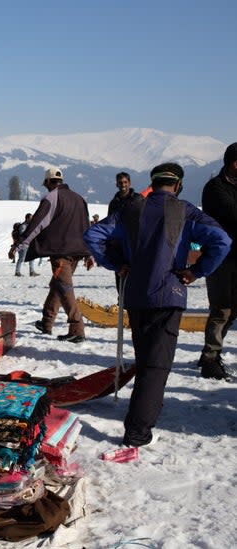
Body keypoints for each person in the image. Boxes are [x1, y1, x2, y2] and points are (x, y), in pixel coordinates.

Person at [84, 162, 231, 447]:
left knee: (146, 361)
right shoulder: (186, 211)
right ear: (177, 185)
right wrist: (196, 271)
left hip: (136, 295)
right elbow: (222, 241)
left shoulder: (130, 209)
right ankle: (138, 432)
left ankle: (145, 415)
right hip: (169, 293)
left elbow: (92, 235)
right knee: (156, 367)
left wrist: (116, 264)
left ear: (152, 183)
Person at [9, 167, 94, 343]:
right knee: (58, 285)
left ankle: (77, 328)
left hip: (60, 252)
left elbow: (37, 224)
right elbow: (86, 227)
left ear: (48, 182)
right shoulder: (80, 199)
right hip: (77, 252)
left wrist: (19, 244)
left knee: (65, 289)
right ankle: (46, 323)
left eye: (45, 183)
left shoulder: (51, 197)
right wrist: (89, 253)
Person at [197, 142, 237, 380]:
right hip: (221, 257)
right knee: (221, 309)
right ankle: (210, 358)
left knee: (232, 310)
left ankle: (210, 351)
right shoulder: (215, 187)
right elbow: (231, 213)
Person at [107, 172, 145, 294]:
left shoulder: (138, 199)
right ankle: (122, 301)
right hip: (119, 246)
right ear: (116, 184)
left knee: (137, 276)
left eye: (125, 182)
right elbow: (110, 223)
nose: (123, 185)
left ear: (129, 183)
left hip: (135, 244)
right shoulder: (114, 203)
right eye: (120, 182)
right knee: (121, 276)